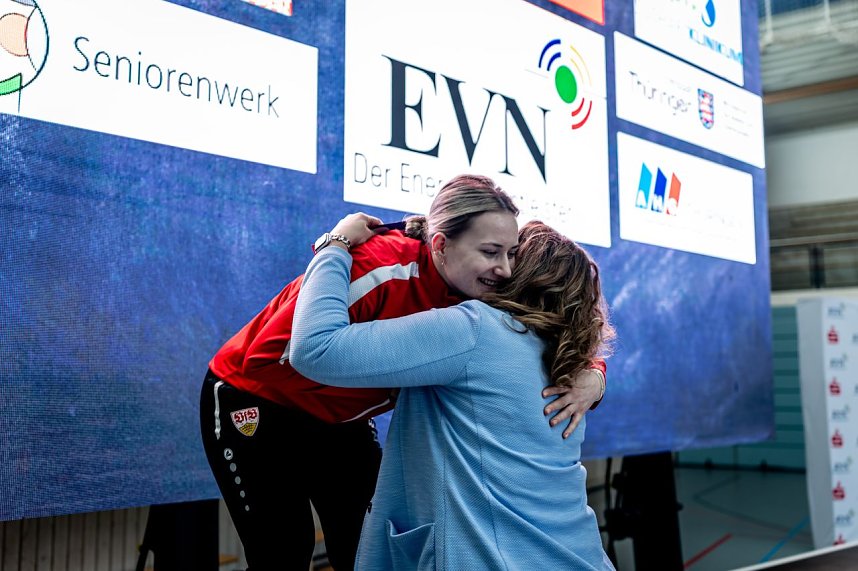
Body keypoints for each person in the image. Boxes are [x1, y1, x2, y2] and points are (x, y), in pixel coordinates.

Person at [199, 175, 607, 570]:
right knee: (284, 548)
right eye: (490, 252)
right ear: (442, 246)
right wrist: (334, 244)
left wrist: (594, 371)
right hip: (257, 398)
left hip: (339, 415)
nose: (504, 269)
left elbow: (553, 319)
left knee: (365, 545)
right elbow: (276, 357)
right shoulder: (381, 269)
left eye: (512, 253)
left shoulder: (477, 296)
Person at [290, 217, 616, 570]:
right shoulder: (570, 360)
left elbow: (316, 349)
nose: (497, 265)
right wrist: (598, 376)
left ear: (518, 273)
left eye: (508, 254)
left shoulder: (474, 330)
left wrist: (334, 246)